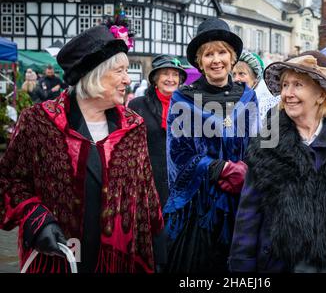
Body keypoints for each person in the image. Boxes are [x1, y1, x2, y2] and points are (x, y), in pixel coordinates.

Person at [0, 25, 163, 273]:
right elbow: (8, 180)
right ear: (94, 75)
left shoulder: (133, 126)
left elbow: (145, 193)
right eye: (119, 71)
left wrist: (154, 250)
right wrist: (35, 217)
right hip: (56, 257)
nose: (128, 79)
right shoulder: (39, 121)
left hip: (117, 260)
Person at [229, 51, 326, 273]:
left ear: (321, 94)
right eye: (285, 85)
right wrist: (241, 265)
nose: (287, 93)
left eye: (298, 85)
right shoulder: (268, 140)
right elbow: (248, 214)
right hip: (276, 263)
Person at [164, 18, 258, 273]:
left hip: (240, 203)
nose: (216, 60)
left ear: (233, 57)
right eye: (208, 54)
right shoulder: (183, 97)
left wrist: (247, 169)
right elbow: (178, 155)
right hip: (199, 208)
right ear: (199, 61)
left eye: (222, 52)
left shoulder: (247, 96)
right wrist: (220, 168)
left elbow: (256, 144)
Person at [128, 54, 187, 272]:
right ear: (155, 79)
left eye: (174, 75)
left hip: (179, 178)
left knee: (177, 231)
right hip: (148, 178)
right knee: (153, 232)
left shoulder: (188, 106)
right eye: (165, 74)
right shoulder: (137, 104)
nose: (170, 79)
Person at [232, 50, 280, 123]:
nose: (236, 79)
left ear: (255, 78)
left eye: (241, 74)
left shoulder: (268, 103)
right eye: (234, 74)